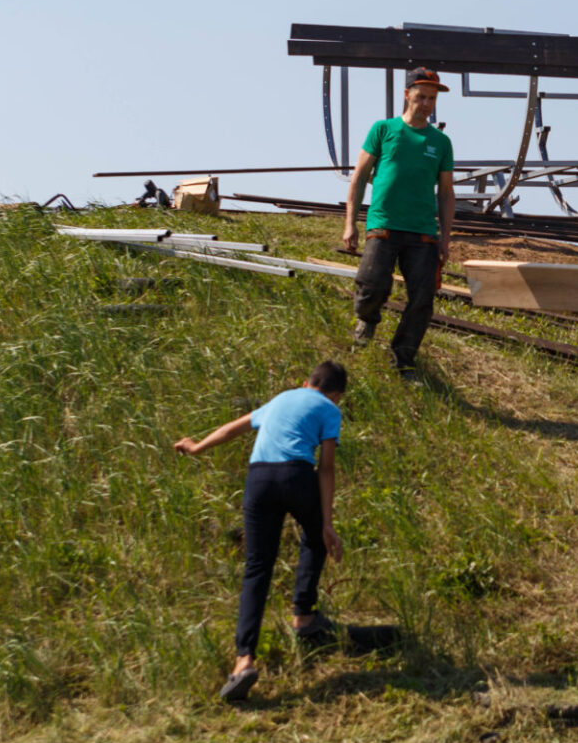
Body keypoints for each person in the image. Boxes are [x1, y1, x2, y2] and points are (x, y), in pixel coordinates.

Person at [173, 360, 348, 702]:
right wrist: (327, 523)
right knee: (313, 538)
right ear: (337, 395)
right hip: (297, 475)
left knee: (257, 567)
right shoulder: (330, 409)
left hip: (259, 479)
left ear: (305, 382)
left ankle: (243, 661)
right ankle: (303, 615)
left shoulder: (281, 398)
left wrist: (196, 447)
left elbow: (232, 429)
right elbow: (325, 468)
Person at [343, 66, 456, 378]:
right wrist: (350, 222)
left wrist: (445, 238)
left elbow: (446, 193)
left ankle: (403, 359)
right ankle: (367, 320)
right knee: (371, 284)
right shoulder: (383, 130)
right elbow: (360, 178)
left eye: (432, 99)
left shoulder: (440, 142)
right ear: (407, 95)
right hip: (383, 224)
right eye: (421, 97)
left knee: (422, 299)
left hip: (422, 233)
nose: (427, 105)